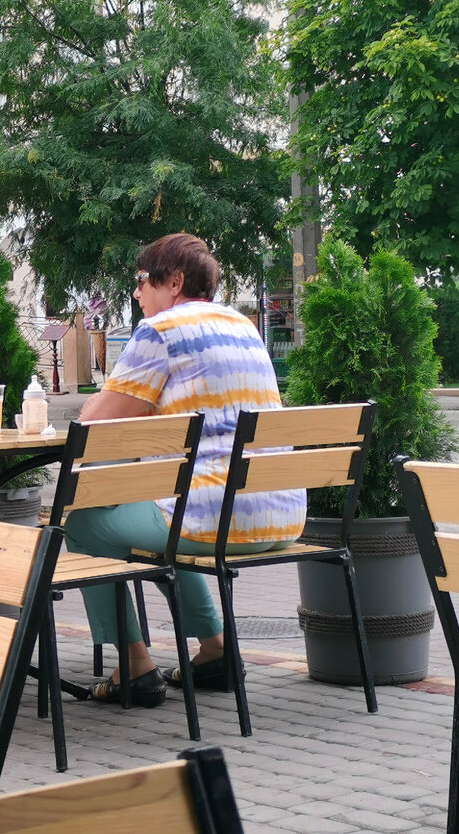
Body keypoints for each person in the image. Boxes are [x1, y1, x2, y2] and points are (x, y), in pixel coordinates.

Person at [67, 233, 305, 707]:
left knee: (84, 522)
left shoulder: (161, 330)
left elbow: (96, 421)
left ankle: (134, 666)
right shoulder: (243, 325)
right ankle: (214, 651)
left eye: (141, 281)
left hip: (216, 518)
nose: (136, 293)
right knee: (161, 510)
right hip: (280, 515)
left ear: (173, 282)